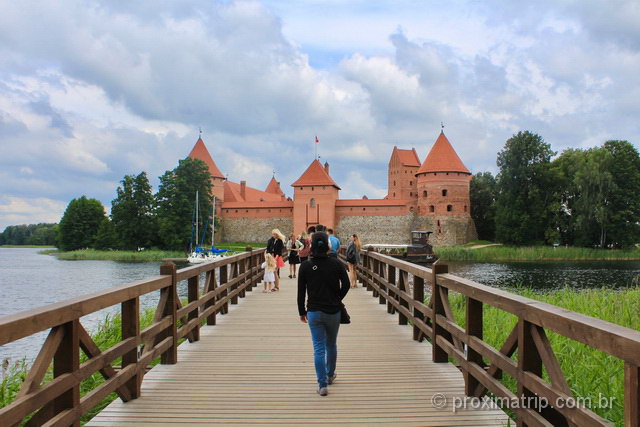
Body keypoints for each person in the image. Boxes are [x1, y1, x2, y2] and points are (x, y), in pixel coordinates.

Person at [297, 232, 350, 396]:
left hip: (313, 311)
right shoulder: (336, 264)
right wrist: (337, 298)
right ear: (328, 245)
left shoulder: (305, 266)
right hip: (333, 311)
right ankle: (330, 375)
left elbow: (301, 292)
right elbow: (347, 284)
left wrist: (301, 311)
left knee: (318, 348)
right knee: (331, 344)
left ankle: (322, 385)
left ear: (311, 245)